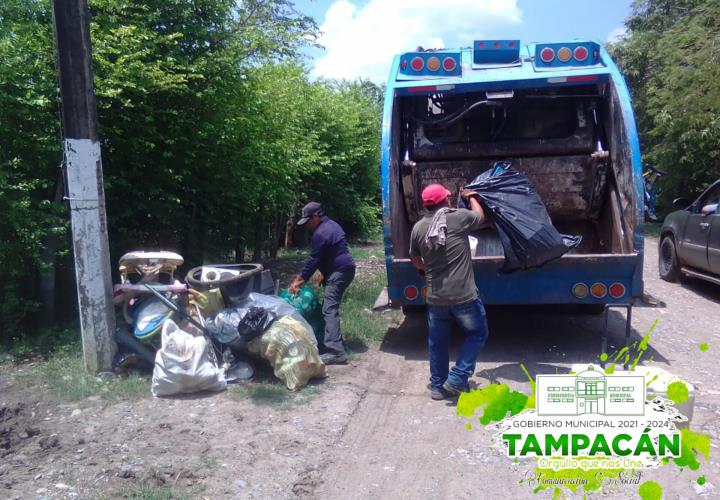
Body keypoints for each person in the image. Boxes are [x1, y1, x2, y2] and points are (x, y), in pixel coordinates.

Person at [409, 183, 490, 400]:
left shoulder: (418, 228)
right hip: (463, 295)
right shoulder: (457, 218)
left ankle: (437, 386)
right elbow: (480, 217)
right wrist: (472, 196)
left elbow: (415, 259)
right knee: (477, 333)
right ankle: (457, 378)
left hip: (436, 297)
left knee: (438, 341)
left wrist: (425, 271)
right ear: (445, 201)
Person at [289, 202, 356, 365]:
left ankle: (335, 351)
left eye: (308, 221)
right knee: (329, 307)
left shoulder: (321, 233)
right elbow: (332, 252)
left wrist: (299, 280)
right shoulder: (332, 226)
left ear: (316, 216)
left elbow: (313, 260)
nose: (307, 226)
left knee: (329, 309)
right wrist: (325, 272)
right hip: (342, 269)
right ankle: (332, 342)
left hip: (339, 271)